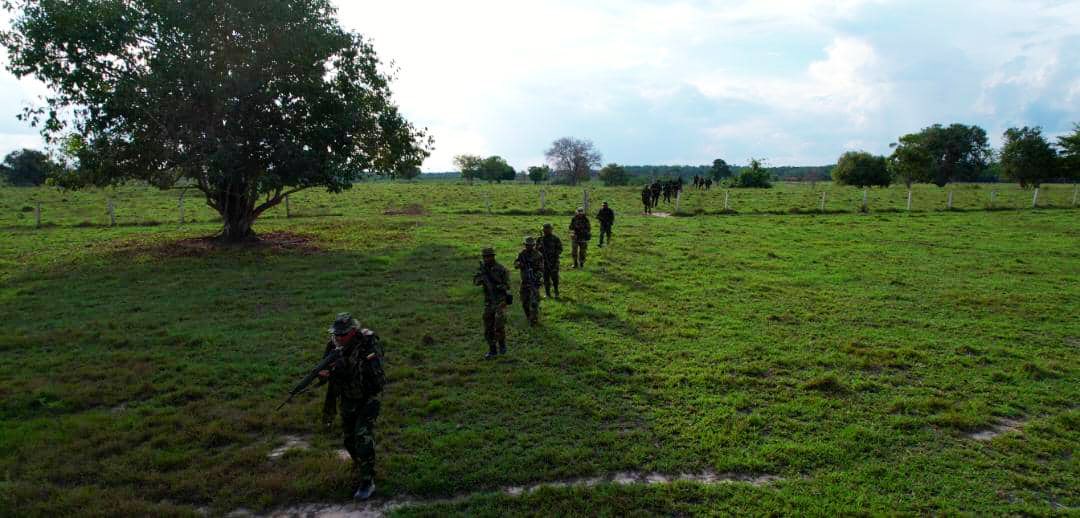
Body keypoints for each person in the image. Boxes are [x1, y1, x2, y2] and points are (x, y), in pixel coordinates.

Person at [318, 313, 386, 501]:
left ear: (353, 331)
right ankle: (362, 464)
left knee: (362, 435)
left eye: (343, 334)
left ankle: (367, 481)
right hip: (347, 398)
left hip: (368, 397)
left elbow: (373, 376)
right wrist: (324, 375)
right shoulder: (333, 346)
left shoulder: (367, 344)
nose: (338, 338)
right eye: (336, 334)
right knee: (349, 440)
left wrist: (342, 367)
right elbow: (326, 369)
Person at [473, 247, 511, 358]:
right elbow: (475, 281)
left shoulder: (501, 269)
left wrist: (498, 286)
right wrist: (482, 278)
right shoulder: (482, 270)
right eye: (485, 257)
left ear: (493, 256)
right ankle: (492, 349)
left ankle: (502, 345)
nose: (487, 259)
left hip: (500, 301)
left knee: (499, 325)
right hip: (489, 302)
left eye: (489, 256)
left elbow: (507, 284)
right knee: (488, 327)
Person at [514, 236, 544, 325]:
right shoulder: (522, 254)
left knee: (534, 302)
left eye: (531, 245)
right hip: (524, 281)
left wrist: (537, 275)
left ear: (533, 245)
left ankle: (534, 320)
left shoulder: (538, 255)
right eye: (527, 245)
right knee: (524, 302)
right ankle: (528, 316)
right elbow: (516, 264)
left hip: (534, 282)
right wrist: (519, 264)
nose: (529, 247)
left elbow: (542, 268)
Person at [537, 223, 563, 298]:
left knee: (555, 278)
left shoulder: (555, 238)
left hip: (554, 261)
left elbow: (560, 249)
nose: (545, 231)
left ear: (551, 230)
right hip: (543, 262)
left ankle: (556, 292)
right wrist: (540, 247)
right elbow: (536, 250)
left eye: (547, 230)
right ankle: (548, 293)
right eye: (544, 230)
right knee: (546, 278)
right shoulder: (540, 239)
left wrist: (554, 254)